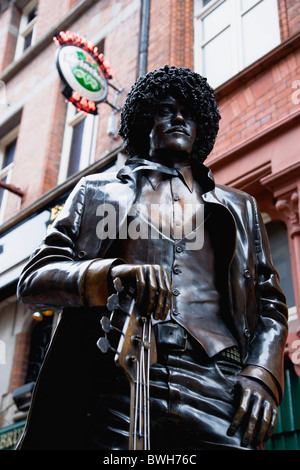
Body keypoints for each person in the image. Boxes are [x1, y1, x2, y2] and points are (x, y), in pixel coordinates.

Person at [16, 66, 288, 450]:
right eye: (165, 109)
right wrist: (110, 274)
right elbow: (34, 281)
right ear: (145, 121)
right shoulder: (97, 192)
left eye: (189, 112)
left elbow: (270, 304)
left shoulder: (238, 206)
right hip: (118, 379)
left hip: (219, 384)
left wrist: (262, 372)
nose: (179, 118)